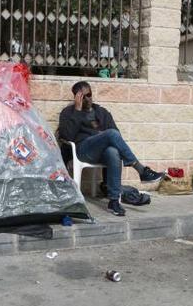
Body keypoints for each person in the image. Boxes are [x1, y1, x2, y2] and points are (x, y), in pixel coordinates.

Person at [57, 81, 165, 216]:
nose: (88, 99)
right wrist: (78, 111)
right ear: (77, 97)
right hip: (83, 149)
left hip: (101, 151)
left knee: (113, 151)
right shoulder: (68, 112)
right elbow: (67, 136)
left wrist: (102, 137)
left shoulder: (102, 112)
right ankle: (141, 170)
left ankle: (113, 201)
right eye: (83, 96)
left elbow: (116, 134)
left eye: (89, 95)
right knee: (111, 134)